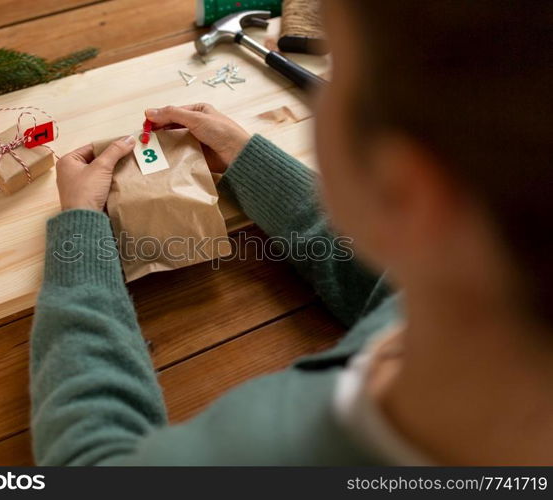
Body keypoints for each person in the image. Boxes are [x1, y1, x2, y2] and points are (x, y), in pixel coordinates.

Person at [30, 0, 553, 465]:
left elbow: (85, 453)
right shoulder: (480, 292)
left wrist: (78, 238)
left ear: (402, 190)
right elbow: (383, 283)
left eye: (338, 76)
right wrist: (252, 163)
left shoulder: (270, 454)